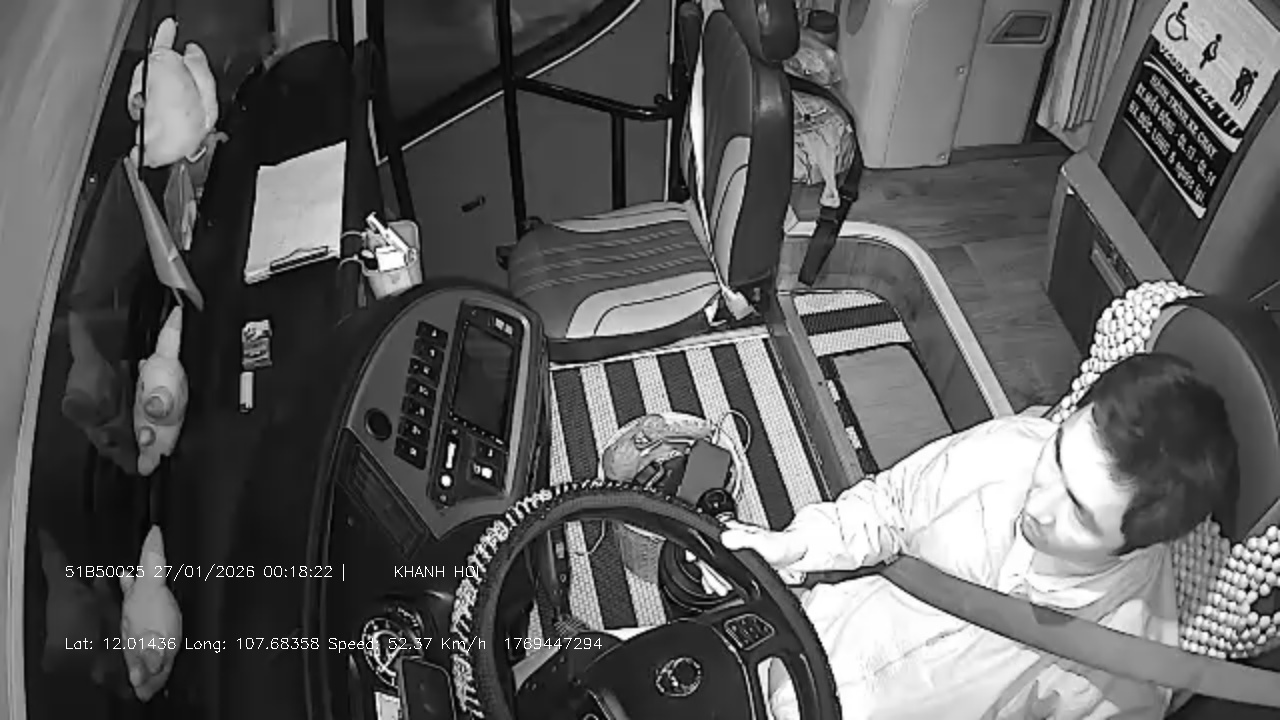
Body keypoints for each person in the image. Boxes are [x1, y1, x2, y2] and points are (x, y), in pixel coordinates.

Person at [515, 352, 1238, 719]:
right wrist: (801, 545)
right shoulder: (1011, 450)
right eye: (1057, 456)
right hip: (799, 640)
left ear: (1138, 543)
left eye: (1079, 511)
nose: (1037, 499)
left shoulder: (1126, 668)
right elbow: (888, 506)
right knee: (585, 680)